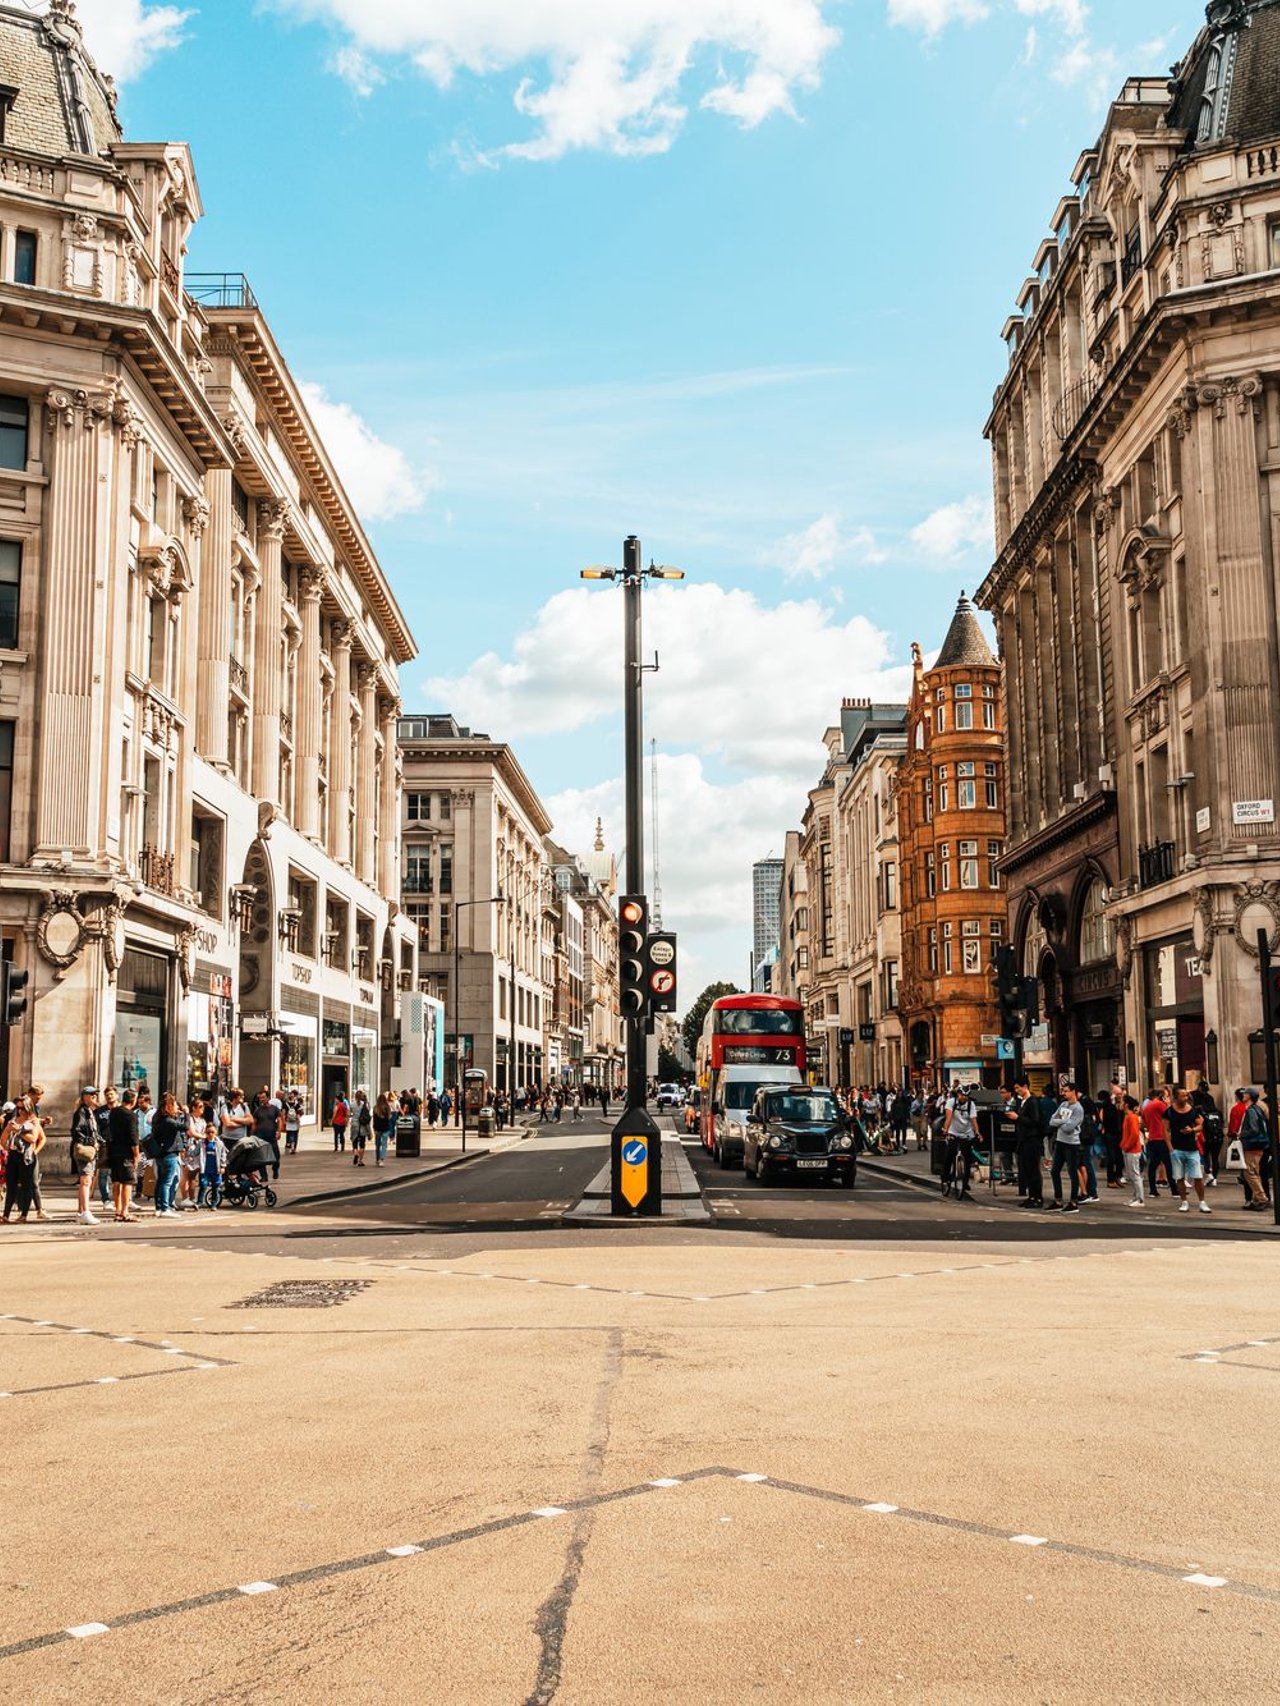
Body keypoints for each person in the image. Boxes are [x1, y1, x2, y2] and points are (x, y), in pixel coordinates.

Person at [1167, 1086, 1210, 1214]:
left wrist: (1192, 1130)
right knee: (1179, 1177)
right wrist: (1170, 1148)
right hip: (1177, 1148)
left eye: (1186, 1095)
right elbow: (1165, 1130)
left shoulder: (1192, 1111)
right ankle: (1184, 1201)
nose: (1185, 1098)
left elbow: (1200, 1126)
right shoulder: (1169, 1112)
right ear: (1176, 1097)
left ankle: (1202, 1202)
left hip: (1192, 1148)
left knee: (1197, 1176)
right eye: (1182, 1095)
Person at [1, 1097, 44, 1223]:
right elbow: (3, 1138)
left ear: (28, 1107)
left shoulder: (34, 1121)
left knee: (27, 1185)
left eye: (22, 1108)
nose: (20, 1111)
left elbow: (33, 1138)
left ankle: (24, 1215)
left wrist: (18, 1131)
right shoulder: (14, 1120)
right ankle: (6, 1215)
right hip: (14, 1155)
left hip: (26, 1156)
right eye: (18, 1108)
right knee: (11, 1185)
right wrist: (8, 1148)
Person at [147, 1092, 188, 1218]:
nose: (177, 1107)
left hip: (160, 1153)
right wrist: (187, 1114)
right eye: (174, 1105)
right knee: (167, 1182)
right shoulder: (168, 1121)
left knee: (160, 1181)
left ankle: (159, 1207)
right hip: (169, 1153)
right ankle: (165, 1208)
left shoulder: (157, 1118)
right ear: (169, 1106)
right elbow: (185, 1127)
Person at [1007, 1079, 1045, 1208]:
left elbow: (1035, 1120)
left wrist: (1018, 1117)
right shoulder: (1022, 1102)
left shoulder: (1032, 1101)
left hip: (1032, 1140)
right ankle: (1032, 1196)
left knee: (1033, 1169)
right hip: (1023, 1140)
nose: (1016, 1091)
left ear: (1025, 1087)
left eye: (1018, 1088)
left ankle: (1038, 1197)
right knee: (1026, 1170)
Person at [1047, 1083, 1084, 1213]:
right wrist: (1063, 1121)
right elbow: (1052, 1120)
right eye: (1063, 1091)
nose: (1064, 1093)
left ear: (1073, 1092)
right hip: (1060, 1141)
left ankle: (1073, 1202)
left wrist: (1060, 1122)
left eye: (1066, 1091)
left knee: (1072, 1172)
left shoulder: (1078, 1109)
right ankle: (1058, 1200)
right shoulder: (1063, 1105)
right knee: (1054, 1170)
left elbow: (1069, 1128)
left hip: (1072, 1144)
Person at [69, 1086, 101, 1225]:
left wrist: (100, 1140)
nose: (94, 1097)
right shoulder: (82, 1112)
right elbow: (76, 1131)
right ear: (84, 1096)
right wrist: (92, 1142)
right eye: (92, 1095)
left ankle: (81, 1211)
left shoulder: (89, 1111)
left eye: (95, 1095)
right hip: (85, 1149)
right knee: (86, 1181)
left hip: (90, 1148)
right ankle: (85, 1212)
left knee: (86, 1180)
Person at [107, 1090, 141, 1222]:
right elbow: (134, 1138)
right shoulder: (130, 1115)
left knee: (116, 1181)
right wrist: (136, 1155)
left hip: (114, 1150)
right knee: (127, 1182)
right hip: (126, 1152)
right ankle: (125, 1211)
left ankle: (117, 1210)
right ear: (133, 1100)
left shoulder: (114, 1112)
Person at [942, 1084, 979, 1198]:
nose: (964, 1098)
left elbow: (973, 1120)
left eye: (966, 1096)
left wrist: (977, 1132)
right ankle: (945, 1177)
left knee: (967, 1158)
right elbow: (948, 1118)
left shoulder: (971, 1104)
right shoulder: (951, 1102)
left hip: (966, 1133)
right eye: (963, 1095)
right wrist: (945, 1130)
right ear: (958, 1094)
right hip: (953, 1131)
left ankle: (965, 1182)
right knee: (950, 1153)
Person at [1240, 1089, 1271, 1210]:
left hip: (1253, 1145)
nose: (1243, 1095)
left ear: (1250, 1096)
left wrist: (1241, 1134)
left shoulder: (1251, 1110)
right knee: (1255, 1172)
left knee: (1249, 1173)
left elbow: (1254, 1129)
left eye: (1246, 1093)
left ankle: (1262, 1198)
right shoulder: (1258, 1109)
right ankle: (1256, 1199)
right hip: (1259, 1144)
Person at [1141, 1085, 1175, 1198]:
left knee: (1153, 1165)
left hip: (1152, 1138)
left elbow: (1144, 1124)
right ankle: (1174, 1190)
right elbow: (1170, 1115)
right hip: (1162, 1137)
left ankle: (1152, 1189)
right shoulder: (1160, 1105)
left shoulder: (1146, 1107)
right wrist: (1168, 1104)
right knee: (1168, 1164)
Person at [180, 1097, 208, 1209]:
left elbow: (205, 1131)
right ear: (193, 1108)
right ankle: (184, 1198)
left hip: (199, 1149)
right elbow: (191, 1132)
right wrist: (204, 1137)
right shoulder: (189, 1119)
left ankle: (192, 1198)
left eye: (203, 1107)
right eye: (200, 1107)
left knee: (194, 1175)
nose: (202, 1109)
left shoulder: (202, 1120)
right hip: (189, 1148)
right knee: (186, 1174)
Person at [251, 1089, 282, 1180]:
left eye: (263, 1098)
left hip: (271, 1135)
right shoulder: (258, 1110)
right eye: (260, 1098)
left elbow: (280, 1120)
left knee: (276, 1156)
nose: (262, 1100)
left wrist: (279, 1131)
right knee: (261, 1157)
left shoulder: (274, 1109)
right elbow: (254, 1123)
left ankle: (275, 1169)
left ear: (268, 1098)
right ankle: (264, 1176)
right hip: (260, 1136)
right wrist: (252, 1135)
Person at [1121, 1095, 1145, 1205]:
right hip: (1129, 1148)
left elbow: (1135, 1134)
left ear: (1126, 1105)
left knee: (1135, 1174)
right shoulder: (1128, 1117)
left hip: (1133, 1150)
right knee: (1132, 1174)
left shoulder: (1131, 1117)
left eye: (1122, 1102)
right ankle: (1136, 1197)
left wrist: (1126, 1146)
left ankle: (1140, 1199)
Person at [372, 1092, 396, 1166]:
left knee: (378, 1144)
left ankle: (377, 1159)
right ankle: (382, 1160)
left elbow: (374, 1119)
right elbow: (389, 1117)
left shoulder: (375, 1108)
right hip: (386, 1128)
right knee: (384, 1145)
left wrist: (374, 1128)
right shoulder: (387, 1107)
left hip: (377, 1128)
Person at [350, 1089, 371, 1166]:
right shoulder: (364, 1104)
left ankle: (355, 1152)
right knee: (362, 1143)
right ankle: (360, 1161)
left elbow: (349, 1114)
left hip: (354, 1124)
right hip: (363, 1125)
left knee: (354, 1141)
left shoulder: (352, 1104)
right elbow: (367, 1115)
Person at [282, 1091, 302, 1155]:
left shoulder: (285, 1104)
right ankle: (293, 1147)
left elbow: (283, 1113)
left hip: (288, 1121)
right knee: (295, 1134)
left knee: (289, 1133)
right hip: (295, 1121)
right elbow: (300, 1113)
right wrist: (298, 1120)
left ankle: (289, 1145)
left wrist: (284, 1121)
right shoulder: (297, 1104)